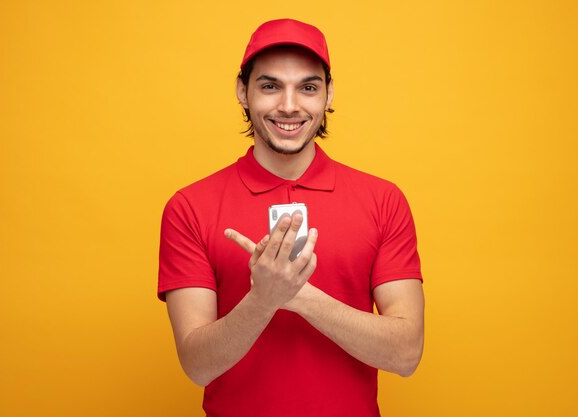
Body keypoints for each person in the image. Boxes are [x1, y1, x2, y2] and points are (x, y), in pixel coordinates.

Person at [158, 18, 424, 417]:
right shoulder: (190, 207)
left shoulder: (383, 200)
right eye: (270, 86)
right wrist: (262, 301)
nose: (288, 105)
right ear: (242, 92)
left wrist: (297, 296)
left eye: (308, 87)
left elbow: (405, 353)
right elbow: (198, 366)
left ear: (329, 94)